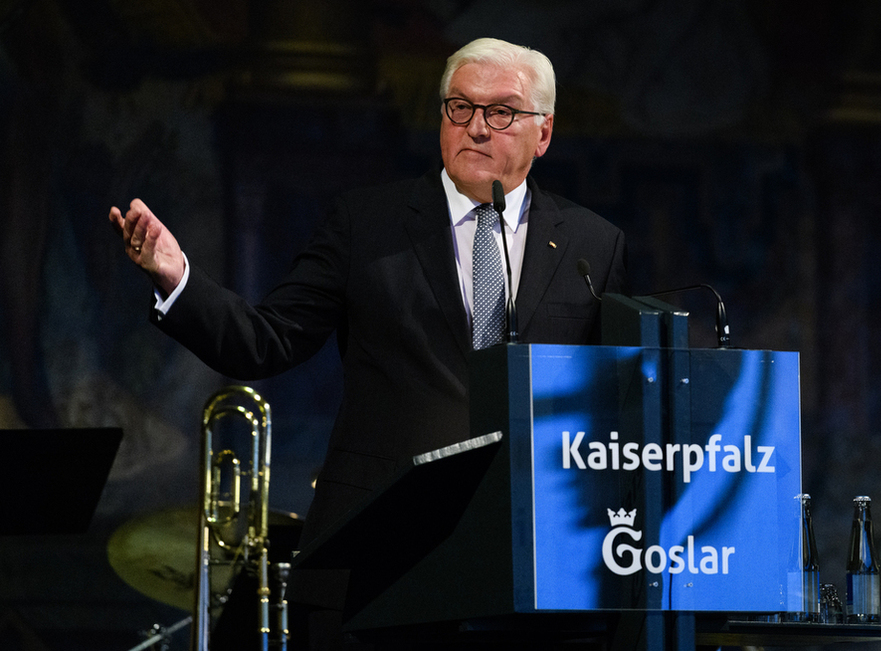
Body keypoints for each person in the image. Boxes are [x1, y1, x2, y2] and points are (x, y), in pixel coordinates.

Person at [110, 37, 627, 649]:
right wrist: (178, 279)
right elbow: (266, 341)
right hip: (379, 561)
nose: (477, 127)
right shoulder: (367, 223)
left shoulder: (593, 245)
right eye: (459, 107)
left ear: (542, 134)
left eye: (502, 112)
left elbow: (611, 407)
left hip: (534, 570)